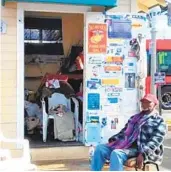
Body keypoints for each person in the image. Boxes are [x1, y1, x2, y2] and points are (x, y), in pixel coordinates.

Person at [91, 94, 167, 171]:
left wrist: (143, 153)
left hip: (141, 149)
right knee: (100, 148)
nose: (144, 104)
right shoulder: (134, 118)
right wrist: (114, 140)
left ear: (155, 104)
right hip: (126, 145)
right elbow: (124, 132)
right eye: (143, 102)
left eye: (148, 102)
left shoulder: (159, 121)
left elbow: (155, 141)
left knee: (117, 153)